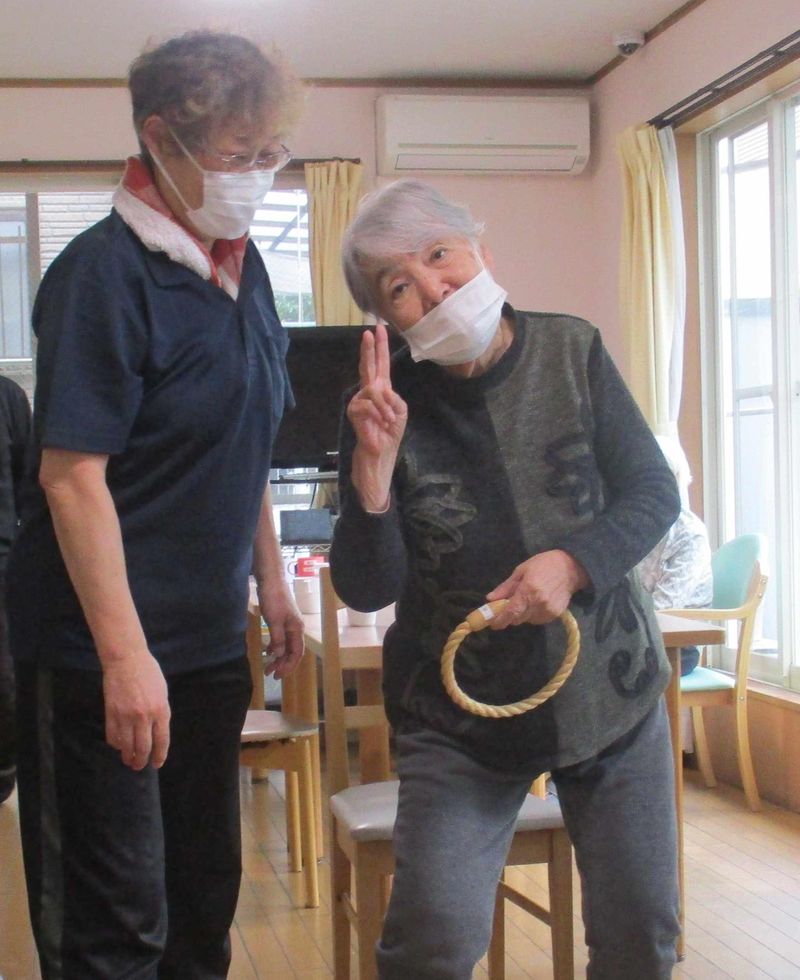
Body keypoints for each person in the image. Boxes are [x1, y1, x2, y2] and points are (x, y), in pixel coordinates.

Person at [330, 179, 683, 979]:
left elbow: (652, 492)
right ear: (386, 320)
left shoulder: (571, 349)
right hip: (459, 720)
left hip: (611, 690)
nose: (433, 289)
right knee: (431, 941)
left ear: (482, 252)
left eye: (440, 255)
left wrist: (574, 563)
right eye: (400, 287)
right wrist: (373, 478)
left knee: (640, 937)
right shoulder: (379, 406)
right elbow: (367, 588)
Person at [7, 31, 305, 979]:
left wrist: (272, 582)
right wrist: (124, 659)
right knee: (115, 928)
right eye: (236, 154)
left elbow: (245, 441)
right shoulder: (101, 275)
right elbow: (70, 477)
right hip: (97, 651)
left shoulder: (245, 271)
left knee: (199, 906)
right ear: (160, 139)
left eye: (269, 154)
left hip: (209, 645)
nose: (256, 175)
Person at [637, 435, 713, 675]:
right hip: (635, 636)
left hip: (676, 646)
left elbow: (664, 607)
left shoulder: (689, 533)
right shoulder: (632, 526)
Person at [0, 375, 31, 805]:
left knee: (7, 683)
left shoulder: (7, 397)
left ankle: (5, 770)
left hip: (4, 565)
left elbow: (32, 486)